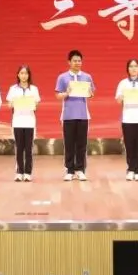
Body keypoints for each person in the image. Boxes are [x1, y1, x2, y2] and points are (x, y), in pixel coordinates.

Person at [55, 49, 95, 181]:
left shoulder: (87, 77)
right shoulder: (62, 77)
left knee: (82, 144)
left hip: (83, 115)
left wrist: (90, 93)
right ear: (69, 62)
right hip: (68, 115)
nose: (77, 63)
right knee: (69, 144)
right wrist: (66, 93)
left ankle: (80, 170)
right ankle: (70, 170)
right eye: (74, 61)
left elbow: (91, 94)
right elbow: (57, 95)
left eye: (79, 61)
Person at [115, 58, 138, 181]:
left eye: (135, 66)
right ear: (128, 69)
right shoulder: (123, 83)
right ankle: (131, 169)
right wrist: (121, 97)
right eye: (131, 66)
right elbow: (118, 100)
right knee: (129, 145)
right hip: (127, 118)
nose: (133, 68)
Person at [7, 64, 40, 181]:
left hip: (30, 121)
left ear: (29, 75)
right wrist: (13, 103)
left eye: (26, 73)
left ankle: (28, 172)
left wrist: (33, 104)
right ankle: (19, 171)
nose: (24, 75)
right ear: (18, 75)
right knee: (19, 148)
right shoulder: (13, 89)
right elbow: (9, 104)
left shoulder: (34, 89)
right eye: (21, 73)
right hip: (17, 121)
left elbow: (37, 104)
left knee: (28, 148)